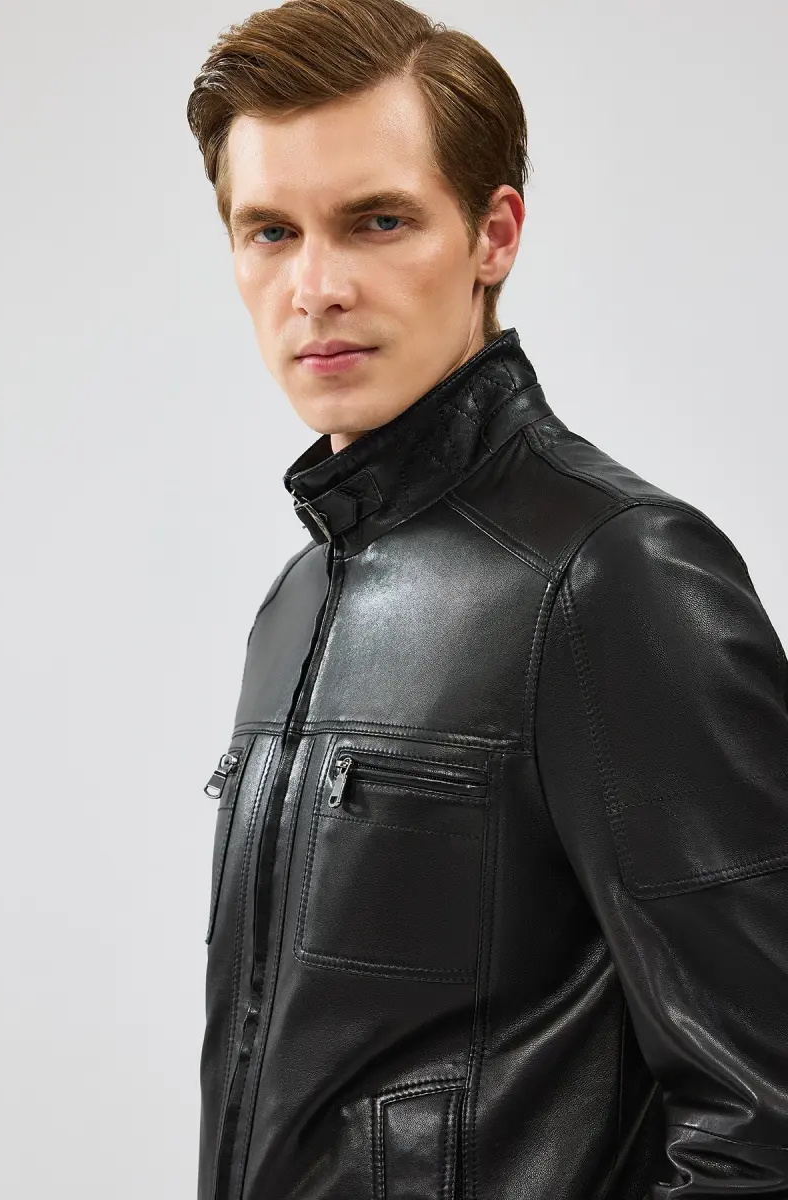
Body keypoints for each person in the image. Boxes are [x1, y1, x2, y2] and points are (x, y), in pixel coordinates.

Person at [186, 2, 788, 1197]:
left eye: (377, 221)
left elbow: (763, 1117)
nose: (315, 286)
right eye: (270, 231)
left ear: (492, 234)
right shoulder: (299, 598)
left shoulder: (616, 573)